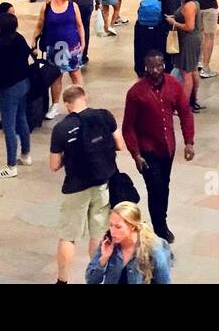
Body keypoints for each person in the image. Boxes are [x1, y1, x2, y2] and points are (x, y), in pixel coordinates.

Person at [50, 84, 126, 285]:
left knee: (69, 235)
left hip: (75, 186)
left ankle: (62, 280)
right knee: (98, 232)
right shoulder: (104, 116)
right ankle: (97, 276)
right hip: (102, 182)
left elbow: (54, 165)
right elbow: (119, 145)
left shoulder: (62, 129)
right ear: (85, 97)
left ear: (67, 105)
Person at [123, 49, 195, 245]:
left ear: (164, 65)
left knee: (164, 185)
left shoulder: (173, 85)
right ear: (145, 67)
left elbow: (185, 113)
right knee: (155, 187)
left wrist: (189, 142)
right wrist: (136, 154)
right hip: (147, 150)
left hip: (167, 147)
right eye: (150, 66)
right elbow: (128, 127)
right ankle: (160, 227)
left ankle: (160, 220)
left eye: (159, 65)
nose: (155, 70)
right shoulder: (136, 93)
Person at [0, 8, 33, 178]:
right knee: (22, 119)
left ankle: (11, 165)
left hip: (9, 88)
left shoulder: (0, 46)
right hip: (24, 83)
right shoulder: (19, 38)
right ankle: (26, 154)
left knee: (8, 126)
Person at [34, 0, 86, 120]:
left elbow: (80, 25)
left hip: (71, 46)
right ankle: (55, 105)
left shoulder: (72, 6)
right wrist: (33, 41)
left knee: (75, 74)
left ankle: (80, 104)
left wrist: (83, 42)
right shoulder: (47, 8)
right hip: (54, 47)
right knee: (56, 76)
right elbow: (39, 25)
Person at [86, 202, 172, 284]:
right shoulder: (108, 243)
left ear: (132, 226)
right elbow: (91, 280)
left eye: (118, 227)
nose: (112, 231)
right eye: (111, 225)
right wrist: (104, 258)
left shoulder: (154, 248)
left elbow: (163, 280)